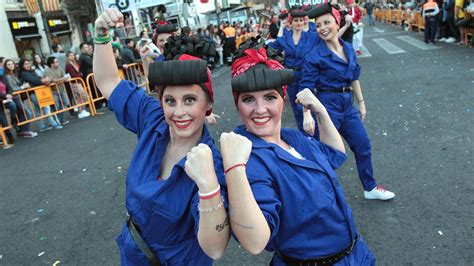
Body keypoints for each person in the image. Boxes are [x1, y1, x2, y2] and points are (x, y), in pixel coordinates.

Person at [92, 8, 229, 265]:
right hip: (133, 254)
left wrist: (209, 186)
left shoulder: (213, 165)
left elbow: (215, 248)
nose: (179, 112)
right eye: (170, 100)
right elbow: (108, 82)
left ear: (208, 104)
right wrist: (101, 35)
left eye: (190, 100)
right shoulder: (153, 119)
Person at [219, 44, 376, 265]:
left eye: (270, 97)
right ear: (238, 105)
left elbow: (334, 154)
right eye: (248, 99)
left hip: (356, 255)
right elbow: (255, 242)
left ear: (283, 99)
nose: (260, 109)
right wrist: (234, 167)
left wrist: (319, 110)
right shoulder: (249, 158)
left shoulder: (292, 137)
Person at [300, 3, 395, 200]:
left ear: (337, 23)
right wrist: (307, 114)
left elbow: (354, 77)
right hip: (326, 105)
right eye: (318, 25)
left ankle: (370, 188)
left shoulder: (348, 48)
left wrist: (361, 103)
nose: (322, 28)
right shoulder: (314, 55)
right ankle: (322, 197)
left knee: (363, 145)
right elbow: (305, 89)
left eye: (327, 22)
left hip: (347, 104)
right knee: (326, 154)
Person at [269, 9, 321, 136]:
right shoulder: (286, 38)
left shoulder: (312, 36)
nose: (298, 23)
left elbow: (328, 41)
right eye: (295, 21)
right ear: (290, 23)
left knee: (310, 107)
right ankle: (304, 137)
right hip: (291, 77)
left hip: (308, 76)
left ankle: (316, 137)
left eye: (300, 20)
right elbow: (272, 48)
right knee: (296, 108)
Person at [19, 58, 63, 130]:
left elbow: (37, 80)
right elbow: (35, 81)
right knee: (45, 106)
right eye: (25, 64)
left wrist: (43, 80)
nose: (28, 65)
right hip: (32, 93)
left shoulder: (31, 71)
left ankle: (41, 126)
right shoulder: (23, 73)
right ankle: (53, 123)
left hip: (38, 92)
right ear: (22, 65)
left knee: (38, 109)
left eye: (28, 63)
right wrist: (43, 81)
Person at [2, 59, 38, 138]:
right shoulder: (7, 76)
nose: (11, 66)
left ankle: (22, 131)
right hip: (14, 97)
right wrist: (23, 87)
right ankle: (26, 131)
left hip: (18, 96)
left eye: (12, 64)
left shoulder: (14, 74)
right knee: (27, 112)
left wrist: (22, 85)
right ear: (5, 66)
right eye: (9, 64)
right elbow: (12, 88)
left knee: (22, 113)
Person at [43, 56, 71, 126]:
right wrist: (62, 79)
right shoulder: (47, 71)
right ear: (51, 64)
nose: (57, 63)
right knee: (56, 105)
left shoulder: (60, 68)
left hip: (61, 89)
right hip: (52, 91)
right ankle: (57, 120)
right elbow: (52, 80)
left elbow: (65, 76)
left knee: (65, 102)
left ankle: (60, 118)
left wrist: (61, 79)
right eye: (56, 62)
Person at [65, 51, 91, 119]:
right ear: (67, 57)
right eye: (70, 55)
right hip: (75, 83)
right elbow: (73, 75)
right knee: (83, 96)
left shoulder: (74, 63)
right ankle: (80, 110)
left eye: (73, 55)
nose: (72, 57)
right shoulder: (69, 65)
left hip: (78, 82)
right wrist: (80, 74)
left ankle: (81, 110)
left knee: (79, 97)